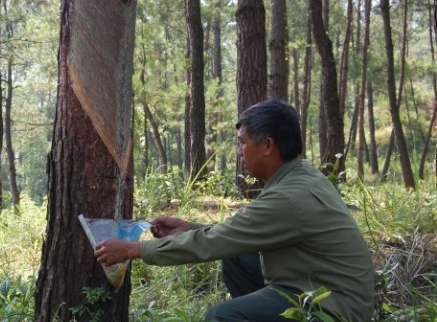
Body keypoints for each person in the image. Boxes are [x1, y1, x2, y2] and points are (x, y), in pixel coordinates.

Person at [95, 100, 374, 322]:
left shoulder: (289, 197)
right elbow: (238, 235)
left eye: (243, 142)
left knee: (222, 316)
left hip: (333, 310)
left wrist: (134, 250)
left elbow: (215, 242)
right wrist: (190, 228)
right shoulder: (299, 177)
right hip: (318, 288)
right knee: (238, 257)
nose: (239, 151)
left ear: (267, 146)